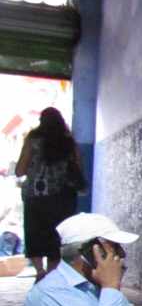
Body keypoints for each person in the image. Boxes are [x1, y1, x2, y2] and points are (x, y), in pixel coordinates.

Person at [15, 108, 85, 280]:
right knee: (57, 237)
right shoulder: (69, 143)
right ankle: (52, 274)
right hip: (62, 197)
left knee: (34, 233)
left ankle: (40, 271)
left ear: (41, 121)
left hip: (35, 196)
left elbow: (19, 170)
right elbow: (78, 168)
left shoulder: (33, 140)